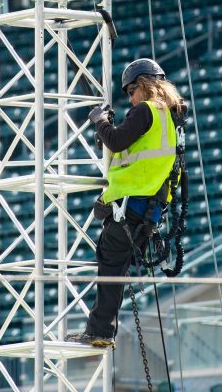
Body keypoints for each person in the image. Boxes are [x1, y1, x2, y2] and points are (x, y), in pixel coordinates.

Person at [68, 58, 187, 349]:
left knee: (109, 264)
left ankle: (100, 331)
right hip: (146, 210)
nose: (130, 98)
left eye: (130, 91)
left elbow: (118, 141)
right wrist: (106, 133)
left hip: (131, 207)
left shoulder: (146, 110)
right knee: (114, 265)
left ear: (142, 86)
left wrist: (100, 122)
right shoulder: (169, 119)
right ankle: (101, 330)